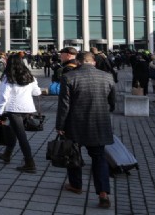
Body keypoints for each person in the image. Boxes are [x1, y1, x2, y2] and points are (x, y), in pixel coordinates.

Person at [56, 52, 115, 208]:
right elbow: (113, 102)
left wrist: (59, 126)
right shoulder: (107, 76)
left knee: (73, 153)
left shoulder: (69, 77)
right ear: (93, 62)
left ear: (78, 62)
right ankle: (103, 193)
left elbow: (64, 106)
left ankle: (76, 185)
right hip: (99, 123)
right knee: (99, 158)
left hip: (75, 124)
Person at [0, 54, 41, 172]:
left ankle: (29, 163)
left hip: (14, 109)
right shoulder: (29, 76)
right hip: (27, 108)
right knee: (14, 132)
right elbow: (37, 92)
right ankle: (7, 154)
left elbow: (4, 97)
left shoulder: (8, 77)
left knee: (21, 136)